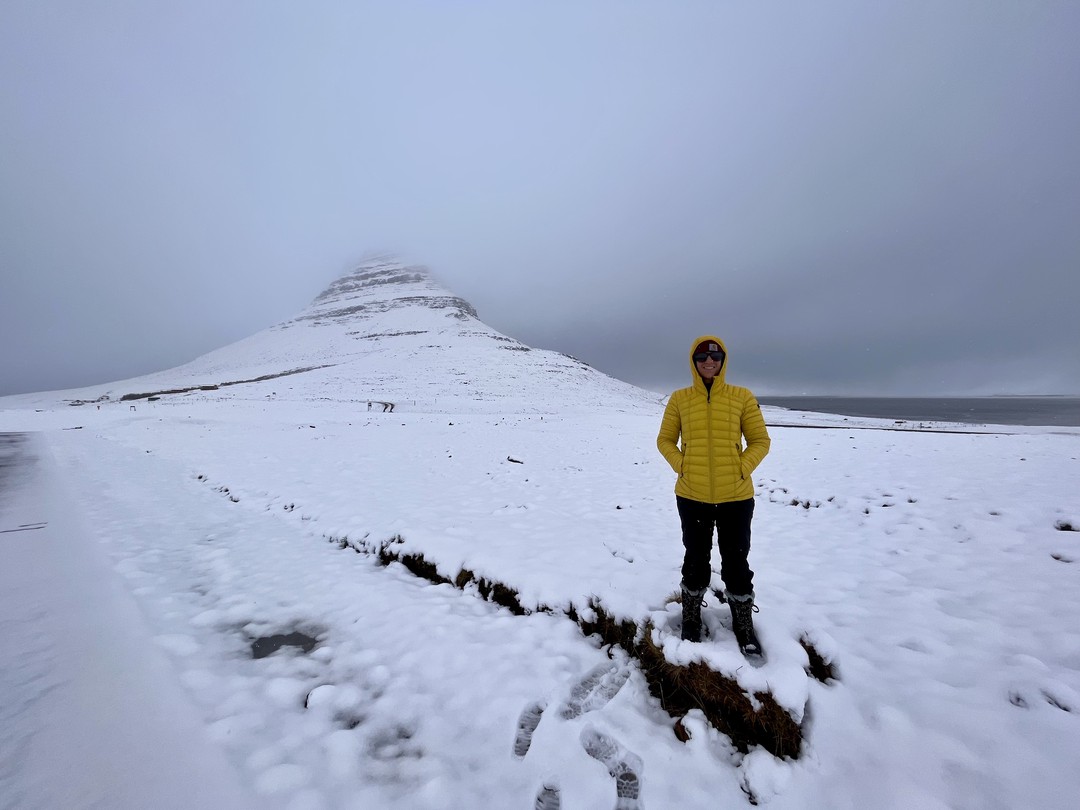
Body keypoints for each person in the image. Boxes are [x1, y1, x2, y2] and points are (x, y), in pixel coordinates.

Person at [656, 335, 771, 654]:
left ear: (723, 360)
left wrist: (741, 467)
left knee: (736, 560)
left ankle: (743, 621)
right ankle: (691, 615)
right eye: (702, 357)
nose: (709, 362)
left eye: (715, 357)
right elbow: (665, 440)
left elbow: (760, 440)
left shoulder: (741, 397)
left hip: (736, 496)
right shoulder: (680, 399)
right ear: (694, 362)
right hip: (691, 495)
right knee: (695, 558)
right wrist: (682, 465)